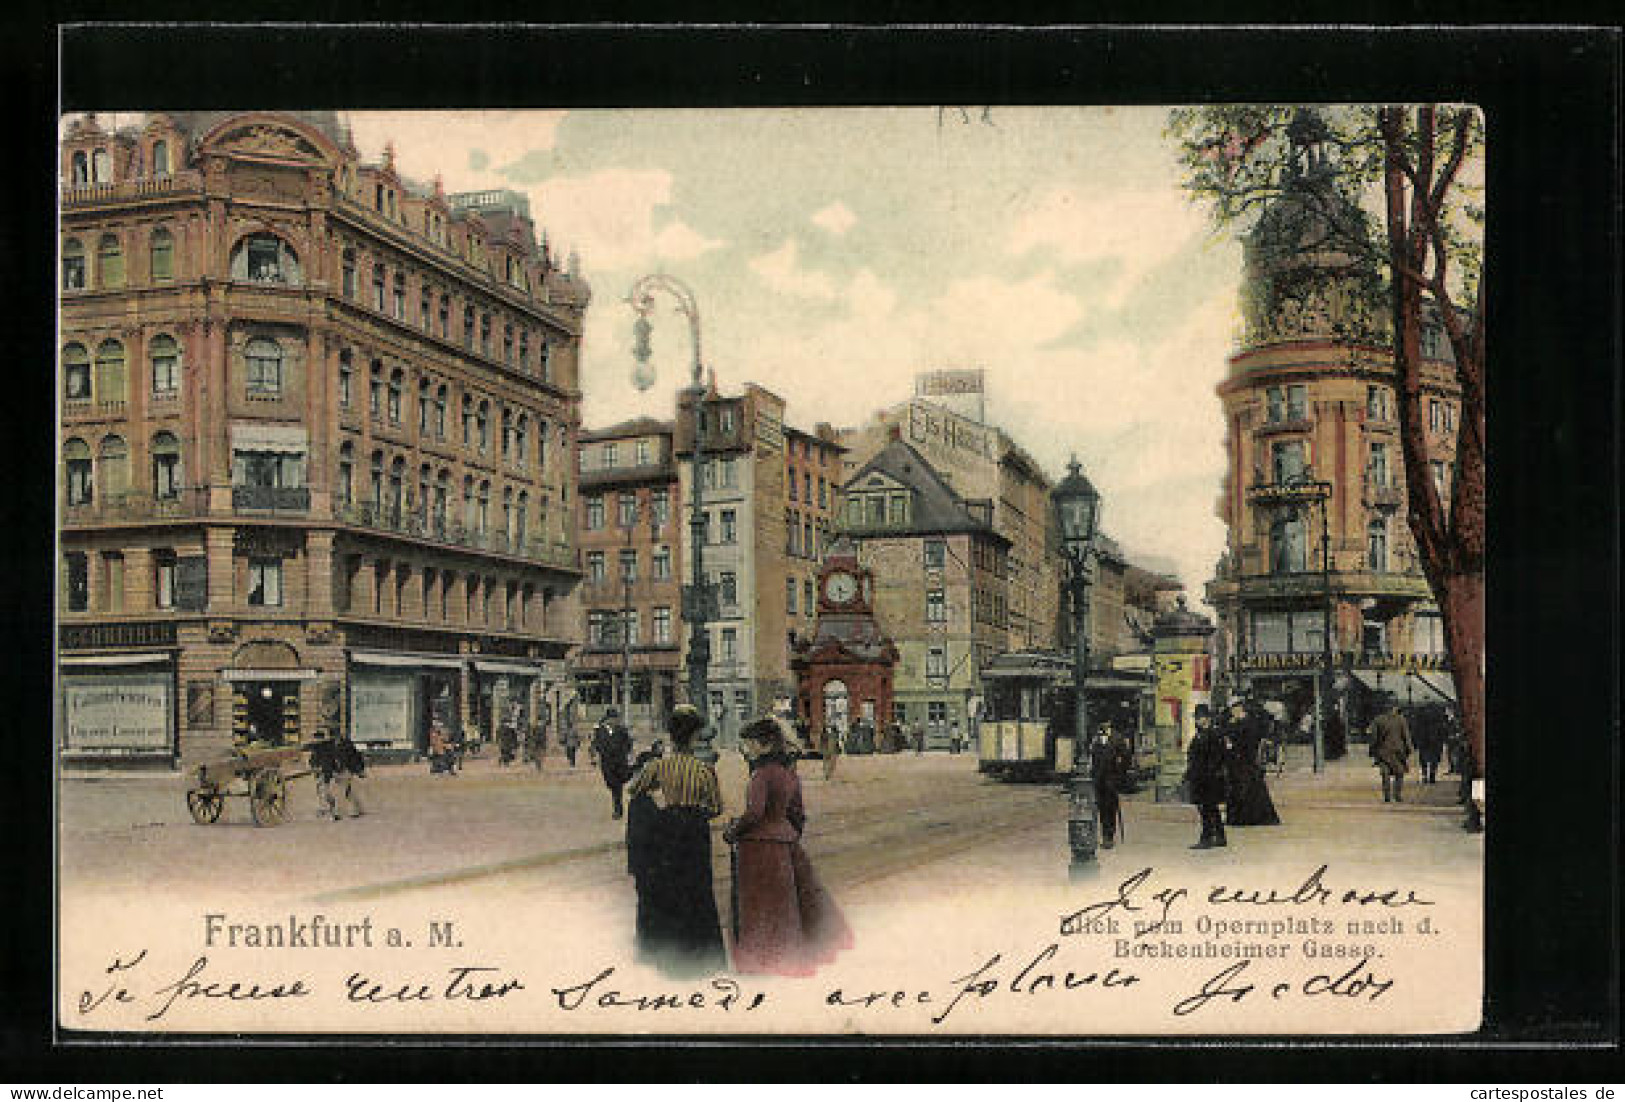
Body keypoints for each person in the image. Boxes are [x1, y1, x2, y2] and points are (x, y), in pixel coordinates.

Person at [724, 716, 853, 976]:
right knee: (787, 908)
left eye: (749, 744)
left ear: (764, 744)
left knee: (759, 908)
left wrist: (733, 831)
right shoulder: (789, 773)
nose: (747, 749)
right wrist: (790, 835)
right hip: (786, 844)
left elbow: (754, 813)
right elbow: (798, 813)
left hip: (758, 848)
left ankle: (760, 961)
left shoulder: (761, 774)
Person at [624, 707, 726, 977]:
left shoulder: (658, 766)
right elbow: (716, 807)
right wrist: (697, 810)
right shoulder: (704, 770)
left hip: (668, 829)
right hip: (694, 831)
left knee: (671, 888)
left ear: (671, 736)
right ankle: (700, 954)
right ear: (694, 737)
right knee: (698, 889)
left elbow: (635, 789)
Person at [1224, 700, 1281, 827]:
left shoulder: (1249, 723)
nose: (1232, 712)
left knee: (1248, 789)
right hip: (1238, 761)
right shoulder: (1237, 722)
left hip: (1247, 760)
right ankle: (1240, 818)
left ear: (1239, 708)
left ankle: (1247, 818)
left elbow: (1247, 741)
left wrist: (1232, 735)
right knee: (1244, 789)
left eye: (1234, 709)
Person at [1185, 704, 1229, 849]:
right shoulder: (1200, 734)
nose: (1197, 720)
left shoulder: (1213, 734)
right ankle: (1220, 836)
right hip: (1200, 777)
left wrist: (1208, 773)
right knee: (1210, 808)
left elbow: (1217, 757)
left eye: (1200, 717)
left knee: (1206, 809)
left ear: (1207, 718)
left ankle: (1207, 838)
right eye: (1196, 718)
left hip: (1208, 778)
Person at [1088, 720, 1134, 849]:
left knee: (1110, 808)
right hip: (1098, 780)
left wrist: (1119, 775)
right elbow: (1091, 756)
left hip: (1111, 780)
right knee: (1100, 808)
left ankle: (1109, 837)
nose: (1103, 726)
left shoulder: (1117, 738)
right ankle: (1102, 835)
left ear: (1109, 724)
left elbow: (1126, 758)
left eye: (1105, 723)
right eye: (1101, 723)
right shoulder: (1095, 738)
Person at [309, 729, 365, 819]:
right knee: (331, 792)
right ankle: (342, 809)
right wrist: (315, 767)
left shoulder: (347, 745)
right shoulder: (324, 746)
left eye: (337, 736)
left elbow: (355, 758)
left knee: (343, 791)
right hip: (331, 771)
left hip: (344, 770)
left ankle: (340, 812)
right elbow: (315, 759)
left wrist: (359, 770)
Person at [1370, 699, 1415, 803]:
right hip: (1398, 751)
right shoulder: (1401, 719)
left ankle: (1387, 796)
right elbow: (1406, 736)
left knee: (1385, 774)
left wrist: (1372, 750)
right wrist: (1409, 748)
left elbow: (1374, 737)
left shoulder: (1378, 720)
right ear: (1395, 707)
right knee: (1399, 773)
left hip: (1383, 751)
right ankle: (1397, 795)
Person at [592, 708, 634, 819]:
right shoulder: (600, 731)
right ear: (608, 719)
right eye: (613, 718)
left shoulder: (622, 730)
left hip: (620, 762)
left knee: (617, 786)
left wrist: (624, 752)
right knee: (611, 784)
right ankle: (617, 805)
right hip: (607, 763)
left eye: (616, 718)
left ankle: (618, 809)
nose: (615, 721)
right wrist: (597, 756)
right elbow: (596, 744)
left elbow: (629, 743)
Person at [1414, 706, 1445, 785]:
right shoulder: (1439, 721)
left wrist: (1417, 742)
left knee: (1423, 759)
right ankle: (1432, 775)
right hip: (1435, 742)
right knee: (1434, 759)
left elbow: (1417, 731)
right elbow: (1442, 732)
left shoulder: (1421, 721)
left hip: (1424, 742)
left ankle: (1425, 775)